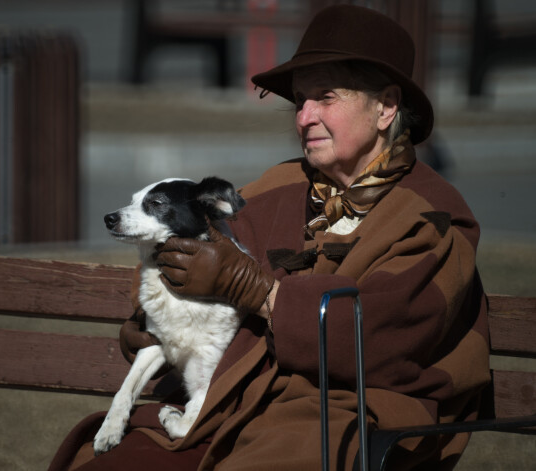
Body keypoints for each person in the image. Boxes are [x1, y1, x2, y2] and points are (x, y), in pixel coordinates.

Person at [49, 5, 490, 470]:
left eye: (326, 97)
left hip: (353, 415)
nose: (304, 117)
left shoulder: (435, 218)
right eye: (300, 101)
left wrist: (254, 289)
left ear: (386, 106)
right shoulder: (278, 186)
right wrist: (157, 311)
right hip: (235, 396)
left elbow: (377, 339)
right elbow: (196, 260)